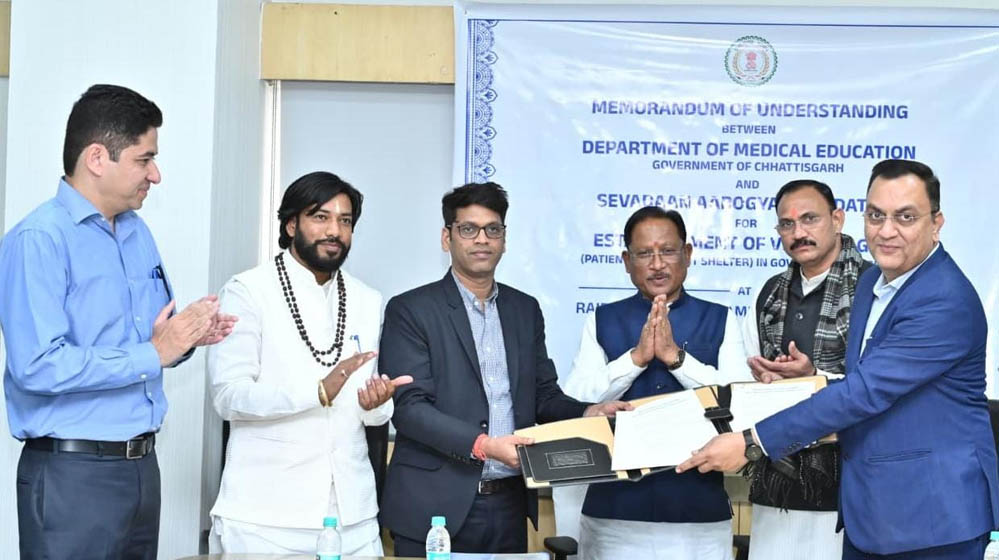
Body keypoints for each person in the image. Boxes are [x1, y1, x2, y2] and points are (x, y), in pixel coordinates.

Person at [678, 159, 999, 559]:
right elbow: (865, 379)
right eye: (876, 215)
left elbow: (863, 393)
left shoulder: (943, 299)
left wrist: (751, 442)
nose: (886, 230)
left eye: (905, 217)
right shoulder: (872, 282)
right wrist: (809, 380)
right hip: (869, 513)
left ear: (936, 223)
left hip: (933, 517)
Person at [0, 84, 236, 560]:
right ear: (96, 158)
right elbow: (37, 366)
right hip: (73, 477)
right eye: (144, 159)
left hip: (141, 468)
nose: (156, 175)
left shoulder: (135, 231)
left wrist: (183, 339)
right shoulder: (38, 240)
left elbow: (149, 340)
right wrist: (153, 352)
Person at [378, 182, 630, 556]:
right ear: (447, 238)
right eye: (469, 229)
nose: (482, 239)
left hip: (509, 503)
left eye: (492, 229)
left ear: (504, 239)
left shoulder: (524, 310)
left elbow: (543, 396)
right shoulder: (411, 310)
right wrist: (484, 446)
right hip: (433, 508)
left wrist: (588, 412)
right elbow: (410, 409)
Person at [207, 171, 412, 554]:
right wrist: (316, 392)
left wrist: (377, 404)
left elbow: (370, 415)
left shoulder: (367, 299)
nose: (334, 230)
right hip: (266, 517)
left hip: (354, 515)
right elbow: (228, 396)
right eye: (321, 217)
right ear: (291, 224)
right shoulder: (248, 291)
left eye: (345, 221)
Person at [563, 206, 750, 560]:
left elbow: (739, 403)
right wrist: (634, 360)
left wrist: (676, 359)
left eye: (667, 251)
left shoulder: (721, 319)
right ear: (626, 261)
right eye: (644, 254)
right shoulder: (602, 319)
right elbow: (573, 401)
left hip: (698, 513)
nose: (657, 264)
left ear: (687, 254)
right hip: (614, 513)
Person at [740, 180, 872, 560]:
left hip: (852, 487)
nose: (798, 232)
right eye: (787, 224)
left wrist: (812, 380)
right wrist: (766, 381)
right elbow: (748, 381)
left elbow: (880, 386)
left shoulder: (874, 286)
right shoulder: (769, 294)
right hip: (776, 486)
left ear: (837, 219)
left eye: (810, 219)